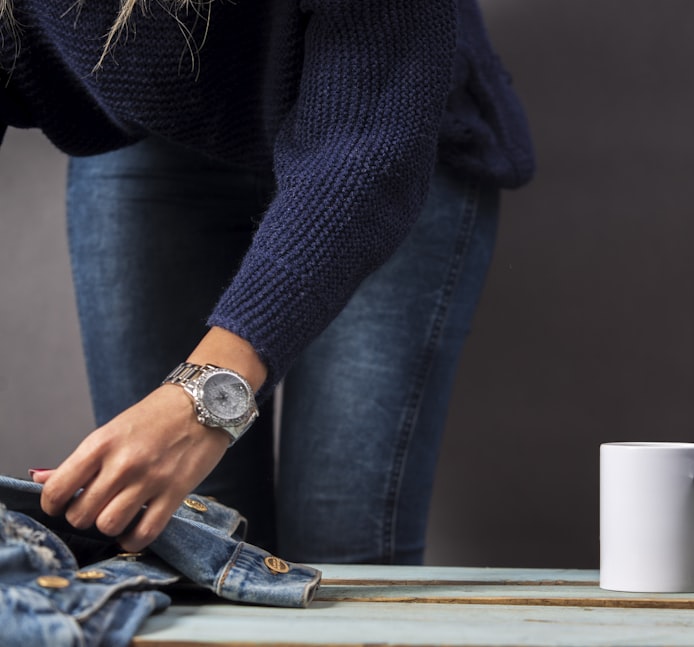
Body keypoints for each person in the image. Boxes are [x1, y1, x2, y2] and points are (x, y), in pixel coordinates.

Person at [0, 0, 534, 563]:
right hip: (147, 136)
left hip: (383, 121)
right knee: (181, 549)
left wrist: (201, 397)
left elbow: (369, 140)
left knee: (342, 552)